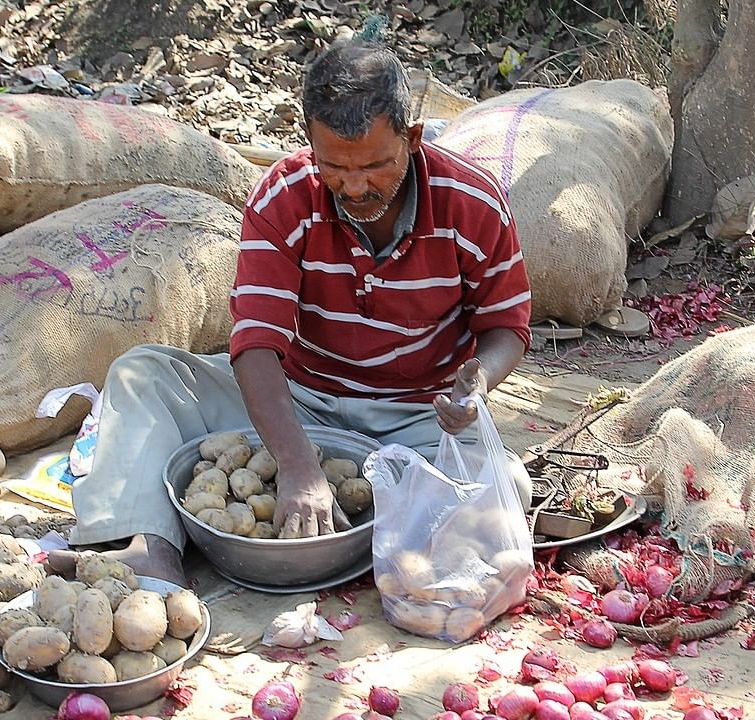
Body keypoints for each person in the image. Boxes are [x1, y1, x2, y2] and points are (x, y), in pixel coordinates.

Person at [47, 39, 533, 585]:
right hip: (299, 397)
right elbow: (255, 344)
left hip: (416, 416)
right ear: (310, 143)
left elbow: (506, 325)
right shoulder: (284, 196)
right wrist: (298, 467)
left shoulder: (472, 203)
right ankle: (153, 547)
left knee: (506, 488)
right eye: (335, 167)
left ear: (412, 138)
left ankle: (369, 528)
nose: (354, 186)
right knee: (144, 375)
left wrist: (479, 382)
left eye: (376, 166)